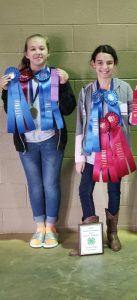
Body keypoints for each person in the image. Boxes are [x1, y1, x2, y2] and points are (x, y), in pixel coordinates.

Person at [0, 34, 76, 248]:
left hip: (52, 140)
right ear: (26, 54)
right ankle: (39, 228)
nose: (37, 52)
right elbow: (10, 112)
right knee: (34, 185)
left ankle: (51, 228)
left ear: (48, 52)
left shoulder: (56, 76)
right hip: (27, 143)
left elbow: (69, 109)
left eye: (41, 48)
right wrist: (4, 92)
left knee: (50, 185)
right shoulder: (16, 78)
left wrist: (64, 85)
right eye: (33, 49)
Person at [70, 45, 137, 255]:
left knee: (114, 190)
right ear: (93, 64)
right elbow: (80, 125)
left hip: (117, 153)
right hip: (92, 152)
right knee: (84, 190)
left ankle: (112, 233)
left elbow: (133, 121)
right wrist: (79, 157)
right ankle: (91, 236)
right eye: (100, 62)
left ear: (115, 65)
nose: (105, 67)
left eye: (109, 63)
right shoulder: (86, 92)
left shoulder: (125, 89)